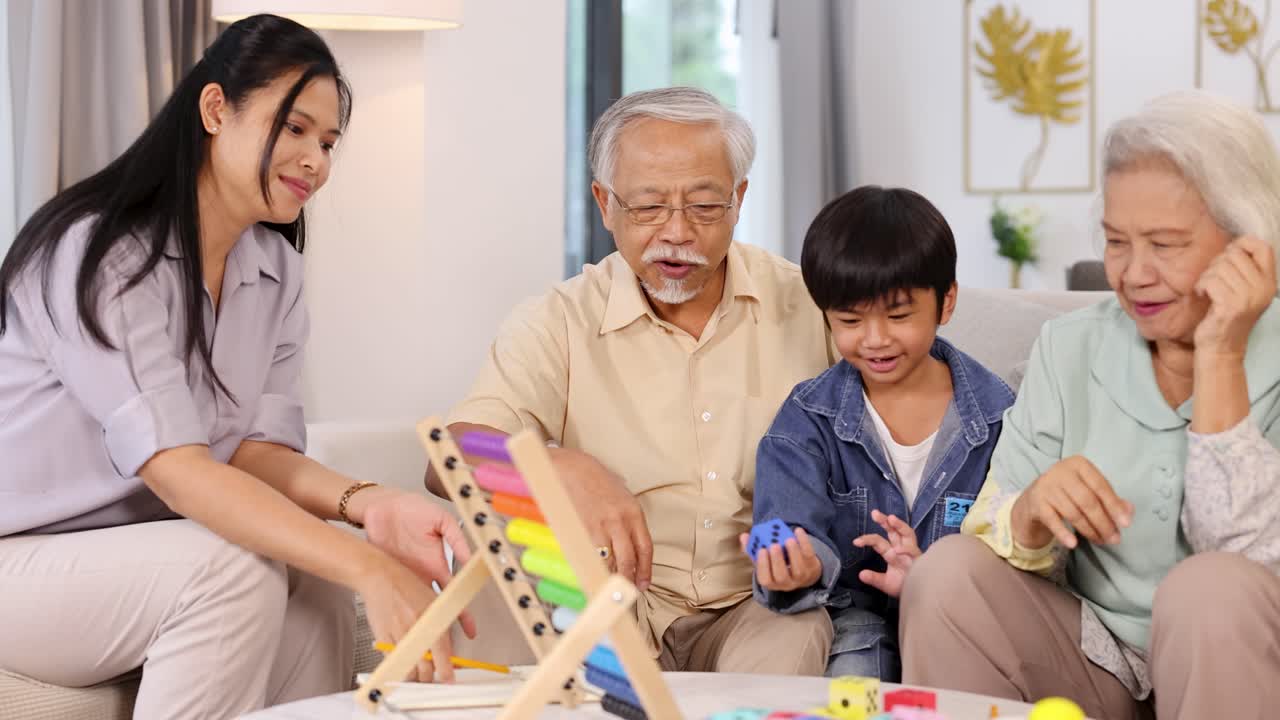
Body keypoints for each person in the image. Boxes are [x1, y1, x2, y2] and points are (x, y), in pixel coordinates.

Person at [0, 15, 473, 720]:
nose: (315, 158)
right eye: (295, 128)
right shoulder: (101, 254)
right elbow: (180, 468)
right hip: (23, 560)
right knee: (232, 571)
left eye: (329, 141)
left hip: (139, 554)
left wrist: (374, 506)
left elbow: (255, 454)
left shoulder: (275, 269)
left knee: (313, 582)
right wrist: (367, 565)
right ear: (217, 109)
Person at [899, 90, 1280, 720]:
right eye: (1117, 242)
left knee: (1210, 591)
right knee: (945, 575)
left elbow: (1252, 565)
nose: (1133, 274)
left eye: (1165, 243)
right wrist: (1030, 515)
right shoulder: (1072, 344)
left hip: (1248, 670)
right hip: (1100, 665)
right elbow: (989, 522)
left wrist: (1220, 356)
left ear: (1248, 242)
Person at [432, 87, 836, 674]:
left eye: (704, 205)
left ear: (739, 199)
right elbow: (449, 453)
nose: (676, 232)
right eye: (648, 207)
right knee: (499, 538)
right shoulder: (560, 319)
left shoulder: (810, 304)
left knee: (793, 636)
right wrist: (556, 465)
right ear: (604, 204)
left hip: (761, 604)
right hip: (611, 600)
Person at [749, 186, 1014, 680]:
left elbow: (1019, 551)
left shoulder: (1001, 417)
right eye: (849, 320)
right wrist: (800, 566)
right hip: (854, 622)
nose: (874, 339)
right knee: (855, 674)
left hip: (962, 624)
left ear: (946, 301)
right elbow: (784, 521)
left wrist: (929, 578)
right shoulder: (809, 417)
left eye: (897, 316)